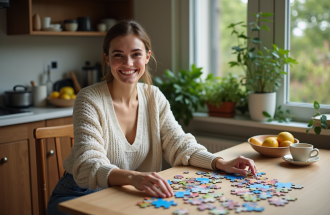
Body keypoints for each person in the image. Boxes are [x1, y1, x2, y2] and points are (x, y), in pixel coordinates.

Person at [46, 20, 257, 215]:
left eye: (136, 54)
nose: (128, 63)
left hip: (124, 192)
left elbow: (179, 144)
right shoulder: (89, 98)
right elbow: (88, 163)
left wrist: (220, 162)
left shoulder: (154, 96)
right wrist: (133, 177)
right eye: (118, 55)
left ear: (147, 56)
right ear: (107, 58)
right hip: (78, 194)